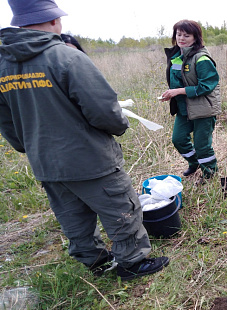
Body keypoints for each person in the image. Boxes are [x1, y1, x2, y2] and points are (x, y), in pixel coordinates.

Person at [0, 0, 169, 280]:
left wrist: (27, 144)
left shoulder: (3, 65)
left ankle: (96, 263)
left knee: (71, 215)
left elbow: (6, 121)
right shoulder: (66, 58)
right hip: (89, 159)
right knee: (120, 208)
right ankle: (133, 262)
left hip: (46, 163)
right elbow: (104, 110)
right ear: (53, 20)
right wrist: (120, 124)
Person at [160, 19, 221, 184]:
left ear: (196, 37)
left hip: (203, 109)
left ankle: (209, 174)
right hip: (183, 108)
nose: (181, 38)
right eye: (179, 34)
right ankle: (195, 162)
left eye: (186, 35)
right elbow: (178, 81)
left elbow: (207, 86)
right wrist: (171, 94)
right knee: (178, 139)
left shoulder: (202, 58)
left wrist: (178, 91)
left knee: (202, 146)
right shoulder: (177, 56)